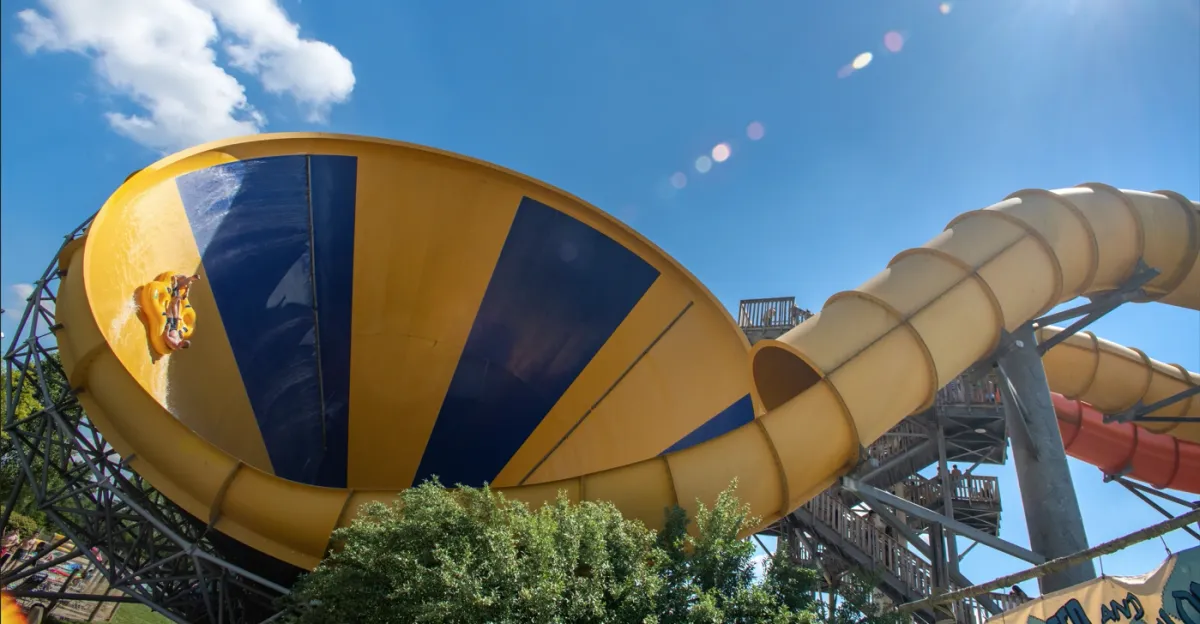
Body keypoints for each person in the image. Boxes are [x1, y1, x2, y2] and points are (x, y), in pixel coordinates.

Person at [163, 274, 200, 351]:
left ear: (182, 345)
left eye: (183, 342)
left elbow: (166, 337)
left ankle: (171, 303)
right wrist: (179, 334)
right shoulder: (185, 278)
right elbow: (175, 277)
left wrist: (168, 328)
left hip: (170, 327)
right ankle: (175, 301)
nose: (182, 341)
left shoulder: (175, 344)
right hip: (174, 327)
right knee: (176, 312)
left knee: (171, 311)